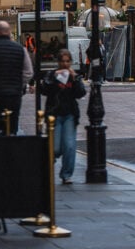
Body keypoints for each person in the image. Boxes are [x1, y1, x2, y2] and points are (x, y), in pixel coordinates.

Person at [0, 20, 34, 133]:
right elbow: (28, 72)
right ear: (9, 32)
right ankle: (11, 146)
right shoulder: (21, 49)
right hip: (14, 95)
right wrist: (19, 85)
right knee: (12, 125)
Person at [42, 49, 86, 184]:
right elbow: (45, 89)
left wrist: (76, 79)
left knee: (70, 146)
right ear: (58, 62)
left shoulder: (74, 76)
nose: (65, 64)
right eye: (62, 61)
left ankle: (66, 175)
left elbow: (80, 93)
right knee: (55, 148)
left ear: (71, 62)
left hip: (69, 114)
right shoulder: (52, 74)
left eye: (67, 61)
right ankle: (49, 161)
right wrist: (54, 76)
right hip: (54, 115)